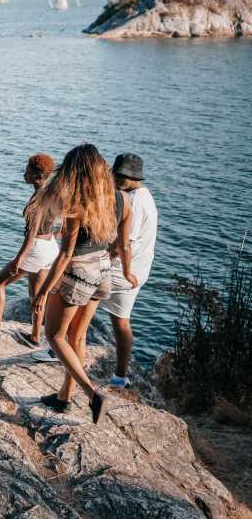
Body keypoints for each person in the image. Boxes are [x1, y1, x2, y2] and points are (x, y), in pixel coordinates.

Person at [29, 144, 136, 424]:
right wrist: (127, 272)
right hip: (103, 270)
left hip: (78, 272)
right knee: (78, 336)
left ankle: (92, 394)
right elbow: (122, 244)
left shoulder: (77, 205)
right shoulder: (122, 200)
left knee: (55, 336)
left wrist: (42, 292)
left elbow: (66, 254)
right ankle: (64, 397)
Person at [0, 154, 59, 346]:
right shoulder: (52, 193)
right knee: (37, 293)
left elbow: (31, 233)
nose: (24, 173)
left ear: (37, 176)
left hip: (36, 247)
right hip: (50, 246)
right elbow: (61, 222)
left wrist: (19, 259)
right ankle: (35, 337)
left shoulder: (37, 199)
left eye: (27, 171)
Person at [99, 153, 157, 389]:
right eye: (117, 174)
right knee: (121, 321)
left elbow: (122, 244)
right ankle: (120, 376)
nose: (118, 179)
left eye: (123, 176)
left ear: (136, 177)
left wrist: (97, 258)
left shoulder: (132, 201)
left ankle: (58, 351)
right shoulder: (145, 196)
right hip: (137, 271)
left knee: (76, 301)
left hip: (121, 272)